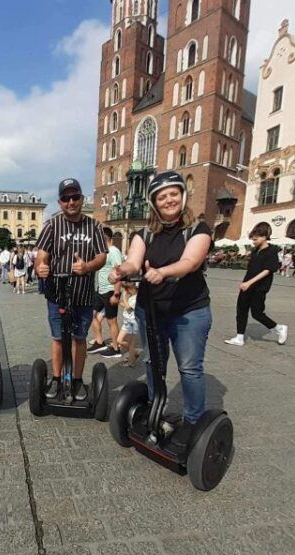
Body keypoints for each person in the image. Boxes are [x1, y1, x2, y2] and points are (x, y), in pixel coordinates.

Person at [108, 171, 212, 449]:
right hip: (151, 309)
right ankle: (156, 411)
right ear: (154, 202)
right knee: (153, 363)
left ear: (183, 196)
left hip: (188, 311)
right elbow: (134, 262)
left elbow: (190, 262)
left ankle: (193, 423)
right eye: (162, 197)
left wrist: (163, 272)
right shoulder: (145, 234)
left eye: (173, 194)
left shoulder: (198, 229)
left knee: (189, 368)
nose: (168, 200)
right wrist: (121, 271)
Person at [35, 178, 107, 401]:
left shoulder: (94, 226)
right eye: (66, 198)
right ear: (60, 202)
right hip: (57, 293)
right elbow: (41, 255)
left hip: (83, 294)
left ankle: (76, 380)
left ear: (82, 199)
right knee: (58, 338)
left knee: (79, 338)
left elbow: (102, 257)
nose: (71, 202)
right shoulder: (52, 225)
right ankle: (57, 378)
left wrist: (87, 267)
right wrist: (41, 266)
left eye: (75, 197)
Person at [224, 223, 288, 347]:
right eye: (252, 239)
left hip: (259, 287)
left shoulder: (271, 251)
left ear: (264, 237)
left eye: (255, 239)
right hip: (247, 285)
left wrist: (249, 282)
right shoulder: (256, 251)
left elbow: (267, 270)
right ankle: (239, 337)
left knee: (257, 313)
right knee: (241, 310)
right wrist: (245, 282)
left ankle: (279, 328)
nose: (253, 241)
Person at [88, 226, 123, 359]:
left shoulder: (114, 251)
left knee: (111, 321)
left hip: (110, 290)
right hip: (100, 290)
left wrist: (116, 294)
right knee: (91, 314)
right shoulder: (102, 252)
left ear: (103, 238)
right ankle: (99, 342)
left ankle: (116, 349)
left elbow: (119, 273)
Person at [116, 281, 139, 367]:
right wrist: (119, 303)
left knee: (132, 343)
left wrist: (124, 298)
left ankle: (131, 362)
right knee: (119, 340)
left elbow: (129, 308)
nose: (126, 291)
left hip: (133, 323)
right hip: (126, 322)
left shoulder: (136, 298)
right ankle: (134, 352)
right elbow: (127, 306)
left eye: (127, 289)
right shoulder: (132, 296)